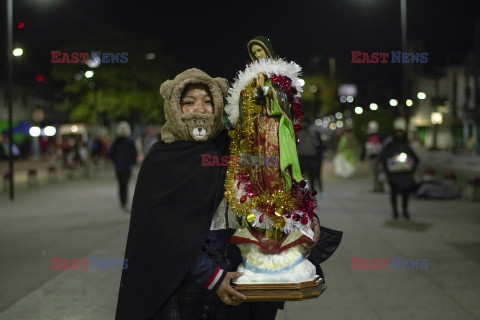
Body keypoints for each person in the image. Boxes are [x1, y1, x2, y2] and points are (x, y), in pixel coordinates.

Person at [115, 68, 247, 320]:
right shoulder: (160, 159)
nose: (199, 108)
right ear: (174, 107)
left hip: (232, 277)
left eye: (208, 101)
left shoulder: (230, 149)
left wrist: (304, 221)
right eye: (189, 102)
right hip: (177, 283)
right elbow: (164, 232)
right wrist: (211, 276)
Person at [379, 127, 419, 220]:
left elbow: (415, 159)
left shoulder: (405, 146)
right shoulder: (389, 146)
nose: (399, 135)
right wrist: (387, 170)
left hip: (405, 175)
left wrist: (411, 169)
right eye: (398, 133)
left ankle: (404, 211)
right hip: (393, 175)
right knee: (393, 193)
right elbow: (383, 159)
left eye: (401, 133)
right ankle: (395, 212)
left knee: (405, 194)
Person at [110, 121, 137, 209]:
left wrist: (115, 161)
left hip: (118, 166)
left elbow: (111, 153)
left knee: (121, 184)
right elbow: (134, 154)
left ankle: (122, 201)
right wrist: (132, 162)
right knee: (125, 184)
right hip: (127, 167)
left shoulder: (116, 142)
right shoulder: (130, 142)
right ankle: (124, 201)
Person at [298, 116, 325, 193]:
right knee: (312, 177)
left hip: (301, 158)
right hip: (312, 158)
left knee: (302, 177)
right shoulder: (315, 132)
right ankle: (312, 193)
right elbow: (320, 146)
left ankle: (303, 192)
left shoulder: (299, 131)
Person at [360, 121, 384, 192]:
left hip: (374, 157)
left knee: (376, 172)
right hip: (378, 157)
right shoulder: (380, 135)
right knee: (380, 172)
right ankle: (380, 186)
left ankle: (377, 186)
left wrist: (362, 157)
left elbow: (364, 146)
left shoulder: (369, 136)